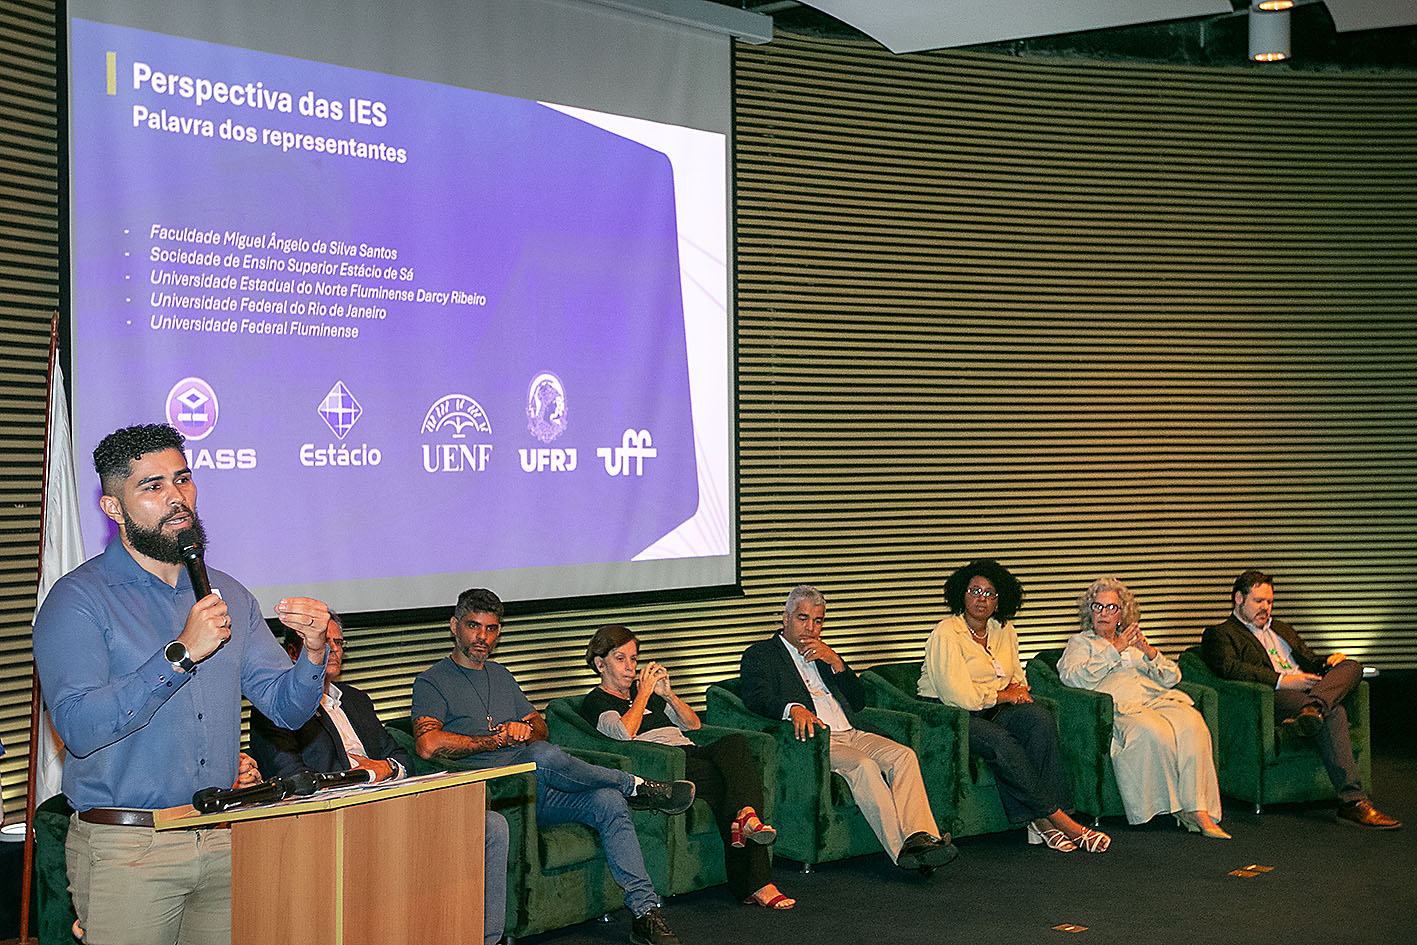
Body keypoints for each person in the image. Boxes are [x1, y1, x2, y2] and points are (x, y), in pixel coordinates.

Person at [33, 423, 330, 945]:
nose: (177, 497)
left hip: (222, 834)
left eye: (183, 479)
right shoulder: (78, 599)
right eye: (153, 486)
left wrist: (313, 652)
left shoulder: (228, 595)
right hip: (128, 848)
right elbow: (79, 727)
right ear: (114, 508)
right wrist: (180, 654)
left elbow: (286, 709)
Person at [412, 588, 696, 945]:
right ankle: (635, 785)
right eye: (473, 626)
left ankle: (644, 912)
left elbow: (540, 726)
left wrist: (524, 731)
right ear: (454, 626)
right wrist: (497, 740)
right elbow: (427, 745)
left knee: (607, 800)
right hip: (495, 792)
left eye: (491, 628)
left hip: (537, 792)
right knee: (544, 755)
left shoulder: (500, 675)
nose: (482, 637)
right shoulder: (432, 681)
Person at [249, 610, 511, 945]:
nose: (334, 650)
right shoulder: (274, 710)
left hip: (391, 803)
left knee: (491, 826)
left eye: (339, 643)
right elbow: (293, 778)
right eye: (324, 642)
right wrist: (361, 775)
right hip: (337, 819)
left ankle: (485, 939)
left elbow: (400, 757)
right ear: (293, 652)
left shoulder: (356, 700)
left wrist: (384, 769)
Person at [739, 585, 958, 875]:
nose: (810, 628)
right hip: (820, 739)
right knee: (864, 766)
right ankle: (903, 852)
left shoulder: (825, 653)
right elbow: (755, 696)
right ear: (786, 618)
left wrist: (837, 663)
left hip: (852, 731)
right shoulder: (762, 654)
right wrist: (792, 708)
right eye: (803, 618)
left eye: (818, 621)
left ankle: (921, 839)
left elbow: (858, 701)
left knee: (903, 755)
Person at [582, 625, 793, 910]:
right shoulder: (597, 701)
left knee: (735, 744)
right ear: (600, 664)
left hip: (691, 752)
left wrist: (668, 695)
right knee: (731, 784)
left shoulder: (651, 697)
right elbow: (622, 733)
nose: (630, 667)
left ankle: (746, 820)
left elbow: (693, 724)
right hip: (665, 765)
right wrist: (643, 694)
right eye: (621, 659)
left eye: (633, 659)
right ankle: (758, 883)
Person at [918, 559, 1109, 853]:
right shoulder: (946, 632)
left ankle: (1039, 822)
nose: (981, 599)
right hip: (948, 716)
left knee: (1039, 719)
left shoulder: (1004, 630)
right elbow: (959, 696)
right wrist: (1005, 695)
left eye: (989, 593)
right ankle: (1061, 821)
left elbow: (1016, 676)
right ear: (961, 594)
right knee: (1000, 741)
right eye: (974, 591)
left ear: (999, 600)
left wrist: (1017, 691)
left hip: (990, 709)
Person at [1202, 569, 1400, 829]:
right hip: (1274, 696)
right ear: (1239, 598)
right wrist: (1283, 681)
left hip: (1309, 689)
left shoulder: (1282, 629)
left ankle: (1314, 708)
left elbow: (1309, 660)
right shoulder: (1220, 633)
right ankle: (1352, 802)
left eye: (1270, 602)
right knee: (1335, 712)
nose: (1266, 608)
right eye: (1259, 601)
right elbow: (1230, 668)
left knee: (1352, 666)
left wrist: (1327, 662)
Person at [1058, 578, 1227, 838]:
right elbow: (1072, 678)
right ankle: (1170, 808)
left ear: (1122, 614)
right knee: (1153, 730)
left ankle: (1198, 809)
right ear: (1089, 611)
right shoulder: (1081, 643)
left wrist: (1147, 651)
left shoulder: (1133, 643)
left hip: (1155, 699)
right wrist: (1114, 649)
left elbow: (1172, 677)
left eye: (1111, 607)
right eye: (1097, 606)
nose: (1103, 613)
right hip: (1119, 705)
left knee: (1193, 724)